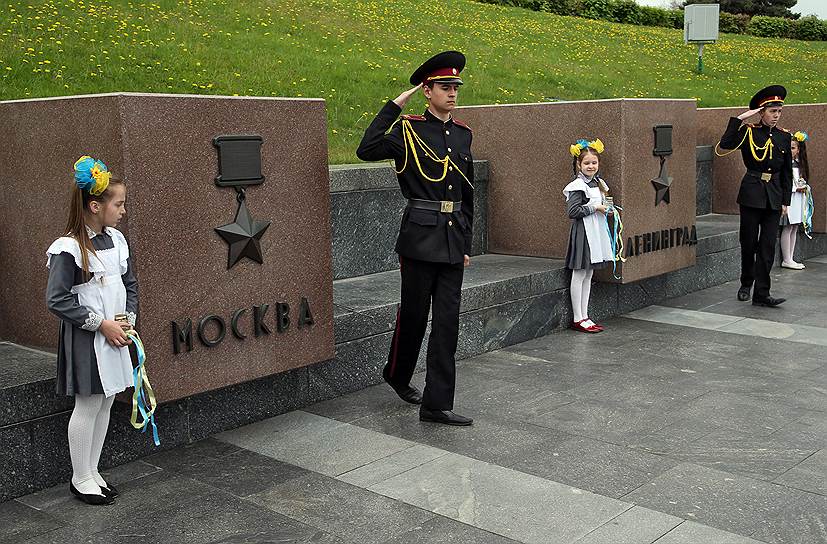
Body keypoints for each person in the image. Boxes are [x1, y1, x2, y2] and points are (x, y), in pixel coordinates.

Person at [356, 51, 474, 426]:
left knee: (447, 323)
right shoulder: (407, 131)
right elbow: (366, 148)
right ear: (427, 90)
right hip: (420, 239)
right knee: (413, 317)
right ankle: (397, 374)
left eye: (456, 87)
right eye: (445, 87)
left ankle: (436, 404)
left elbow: (467, 194)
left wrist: (466, 244)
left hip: (453, 239)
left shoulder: (463, 134)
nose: (452, 93)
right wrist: (393, 106)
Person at [46, 156, 138, 504]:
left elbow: (130, 283)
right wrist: (102, 324)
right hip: (89, 339)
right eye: (119, 204)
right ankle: (79, 476)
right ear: (96, 205)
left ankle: (93, 470)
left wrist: (127, 318)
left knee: (109, 399)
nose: (122, 210)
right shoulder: (68, 248)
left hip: (116, 334)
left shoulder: (115, 239)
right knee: (88, 404)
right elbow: (56, 299)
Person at [717, 85, 792, 307]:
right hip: (751, 193)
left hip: (774, 196)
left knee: (768, 247)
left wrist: (786, 201)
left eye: (778, 111)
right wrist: (739, 119)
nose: (776, 116)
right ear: (761, 112)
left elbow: (787, 171)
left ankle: (762, 294)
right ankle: (745, 283)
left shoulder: (784, 137)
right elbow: (725, 144)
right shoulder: (749, 131)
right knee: (749, 243)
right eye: (772, 112)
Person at [563, 139, 614, 333]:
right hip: (584, 232)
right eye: (586, 163)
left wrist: (608, 210)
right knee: (580, 272)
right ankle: (578, 317)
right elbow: (573, 211)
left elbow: (604, 203)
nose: (591, 166)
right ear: (578, 164)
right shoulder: (576, 185)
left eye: (594, 162)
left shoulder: (599, 183)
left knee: (589, 272)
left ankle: (585, 315)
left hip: (596, 230)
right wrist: (596, 207)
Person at [779, 131, 811, 269]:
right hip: (789, 199)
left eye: (793, 148)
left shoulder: (799, 164)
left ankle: (790, 257)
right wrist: (795, 188)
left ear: (798, 149)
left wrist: (804, 187)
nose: (790, 150)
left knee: (794, 227)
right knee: (787, 227)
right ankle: (786, 258)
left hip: (798, 200)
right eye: (789, 147)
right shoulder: (783, 164)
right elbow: (782, 182)